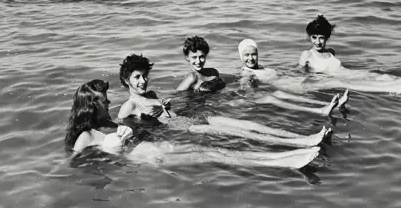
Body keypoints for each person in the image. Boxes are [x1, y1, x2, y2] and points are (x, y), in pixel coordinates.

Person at [65, 78, 321, 170]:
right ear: (90, 105)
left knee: (215, 152)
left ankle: (287, 156)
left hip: (161, 149)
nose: (108, 101)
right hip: (153, 160)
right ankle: (286, 162)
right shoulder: (86, 136)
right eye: (102, 100)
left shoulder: (110, 121)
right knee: (211, 154)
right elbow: (71, 165)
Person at [118, 53, 330, 147]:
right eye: (137, 77)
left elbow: (165, 107)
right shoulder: (130, 105)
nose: (143, 80)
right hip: (188, 129)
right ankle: (295, 144)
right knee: (239, 132)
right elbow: (121, 129)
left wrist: (166, 105)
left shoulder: (151, 94)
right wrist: (144, 122)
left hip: (194, 118)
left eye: (145, 75)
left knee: (250, 124)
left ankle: (300, 138)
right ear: (126, 80)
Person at [238, 38, 349, 113]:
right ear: (241, 56)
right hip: (291, 86)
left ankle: (331, 105)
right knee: (325, 82)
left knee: (321, 79)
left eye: (254, 54)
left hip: (293, 81)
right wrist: (252, 94)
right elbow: (248, 90)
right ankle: (321, 110)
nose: (251, 58)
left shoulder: (260, 67)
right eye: (246, 55)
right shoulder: (247, 73)